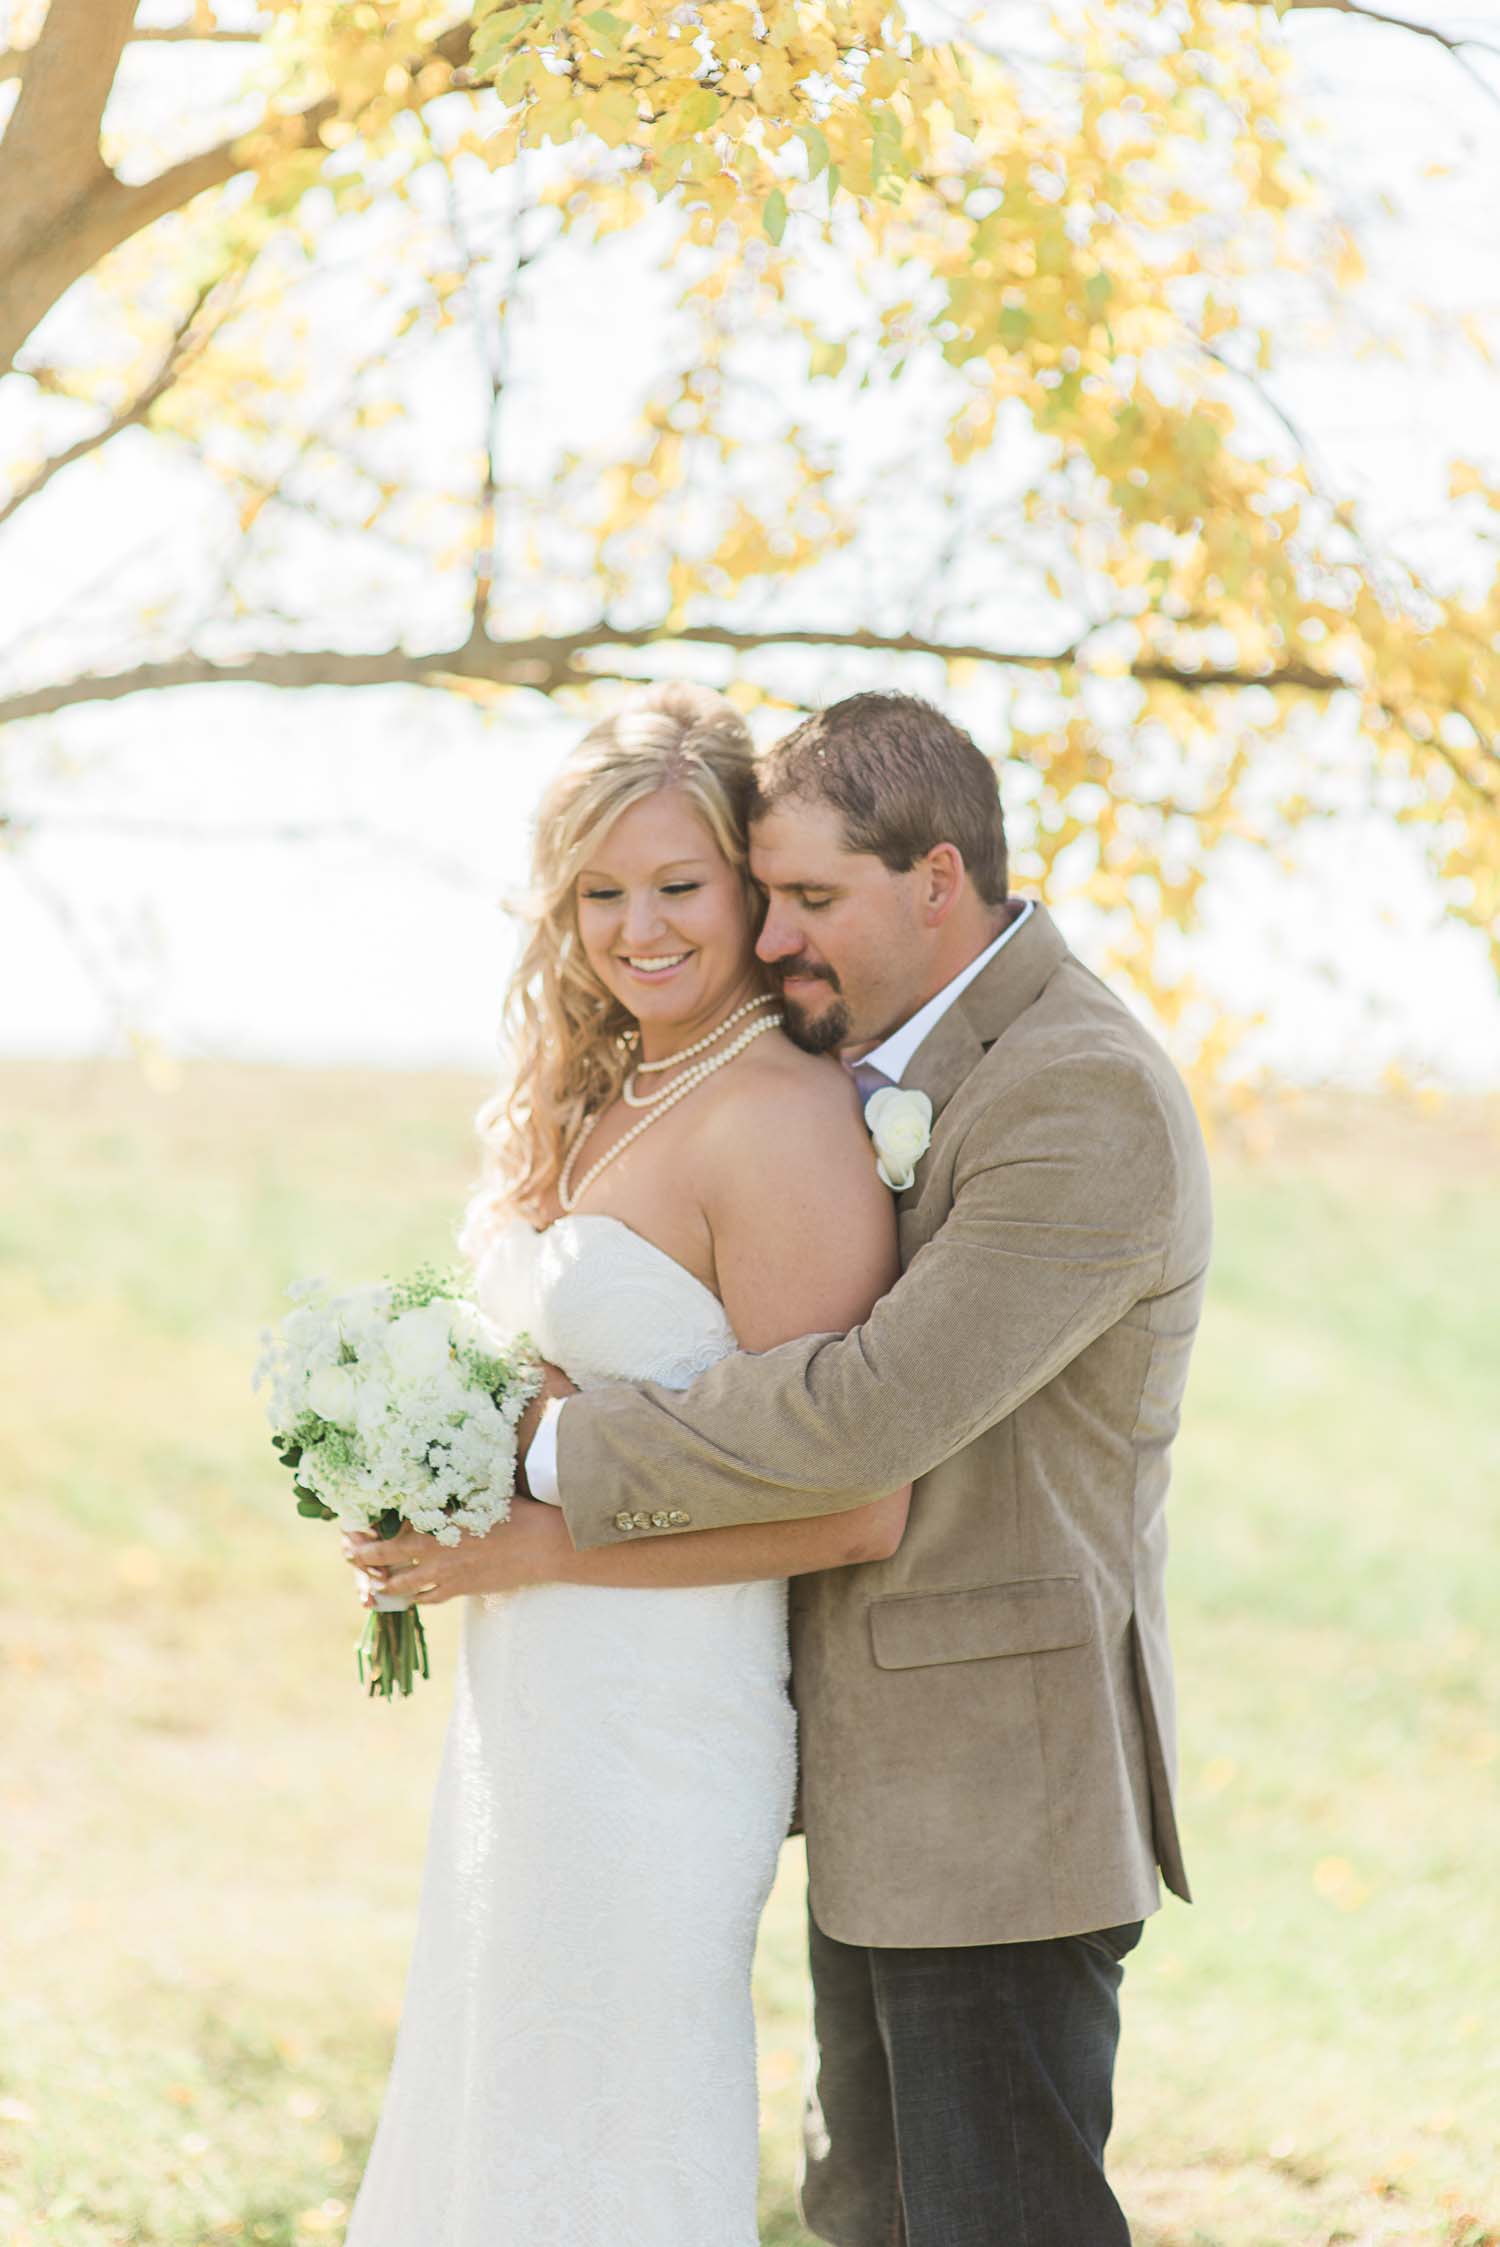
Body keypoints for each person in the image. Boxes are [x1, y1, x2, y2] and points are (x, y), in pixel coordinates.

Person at [387, 691, 1215, 2247]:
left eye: (808, 902)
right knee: (876, 2214)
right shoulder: (886, 1063)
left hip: (997, 1778)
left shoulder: (1075, 1092)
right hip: (867, 1759)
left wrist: (544, 1462)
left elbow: (860, 1421)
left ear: (940, 879)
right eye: (767, 899)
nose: (774, 943)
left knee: (992, 2221)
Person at [340, 682, 908, 2247]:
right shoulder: (600, 1093)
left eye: (678, 886)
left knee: (607, 2132)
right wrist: (417, 1457)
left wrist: (525, 1547)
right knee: (499, 2107)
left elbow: (853, 1501)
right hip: (532, 1703)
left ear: (748, 886)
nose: (638, 928)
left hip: (667, 1718)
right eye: (601, 892)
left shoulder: (783, 1122)